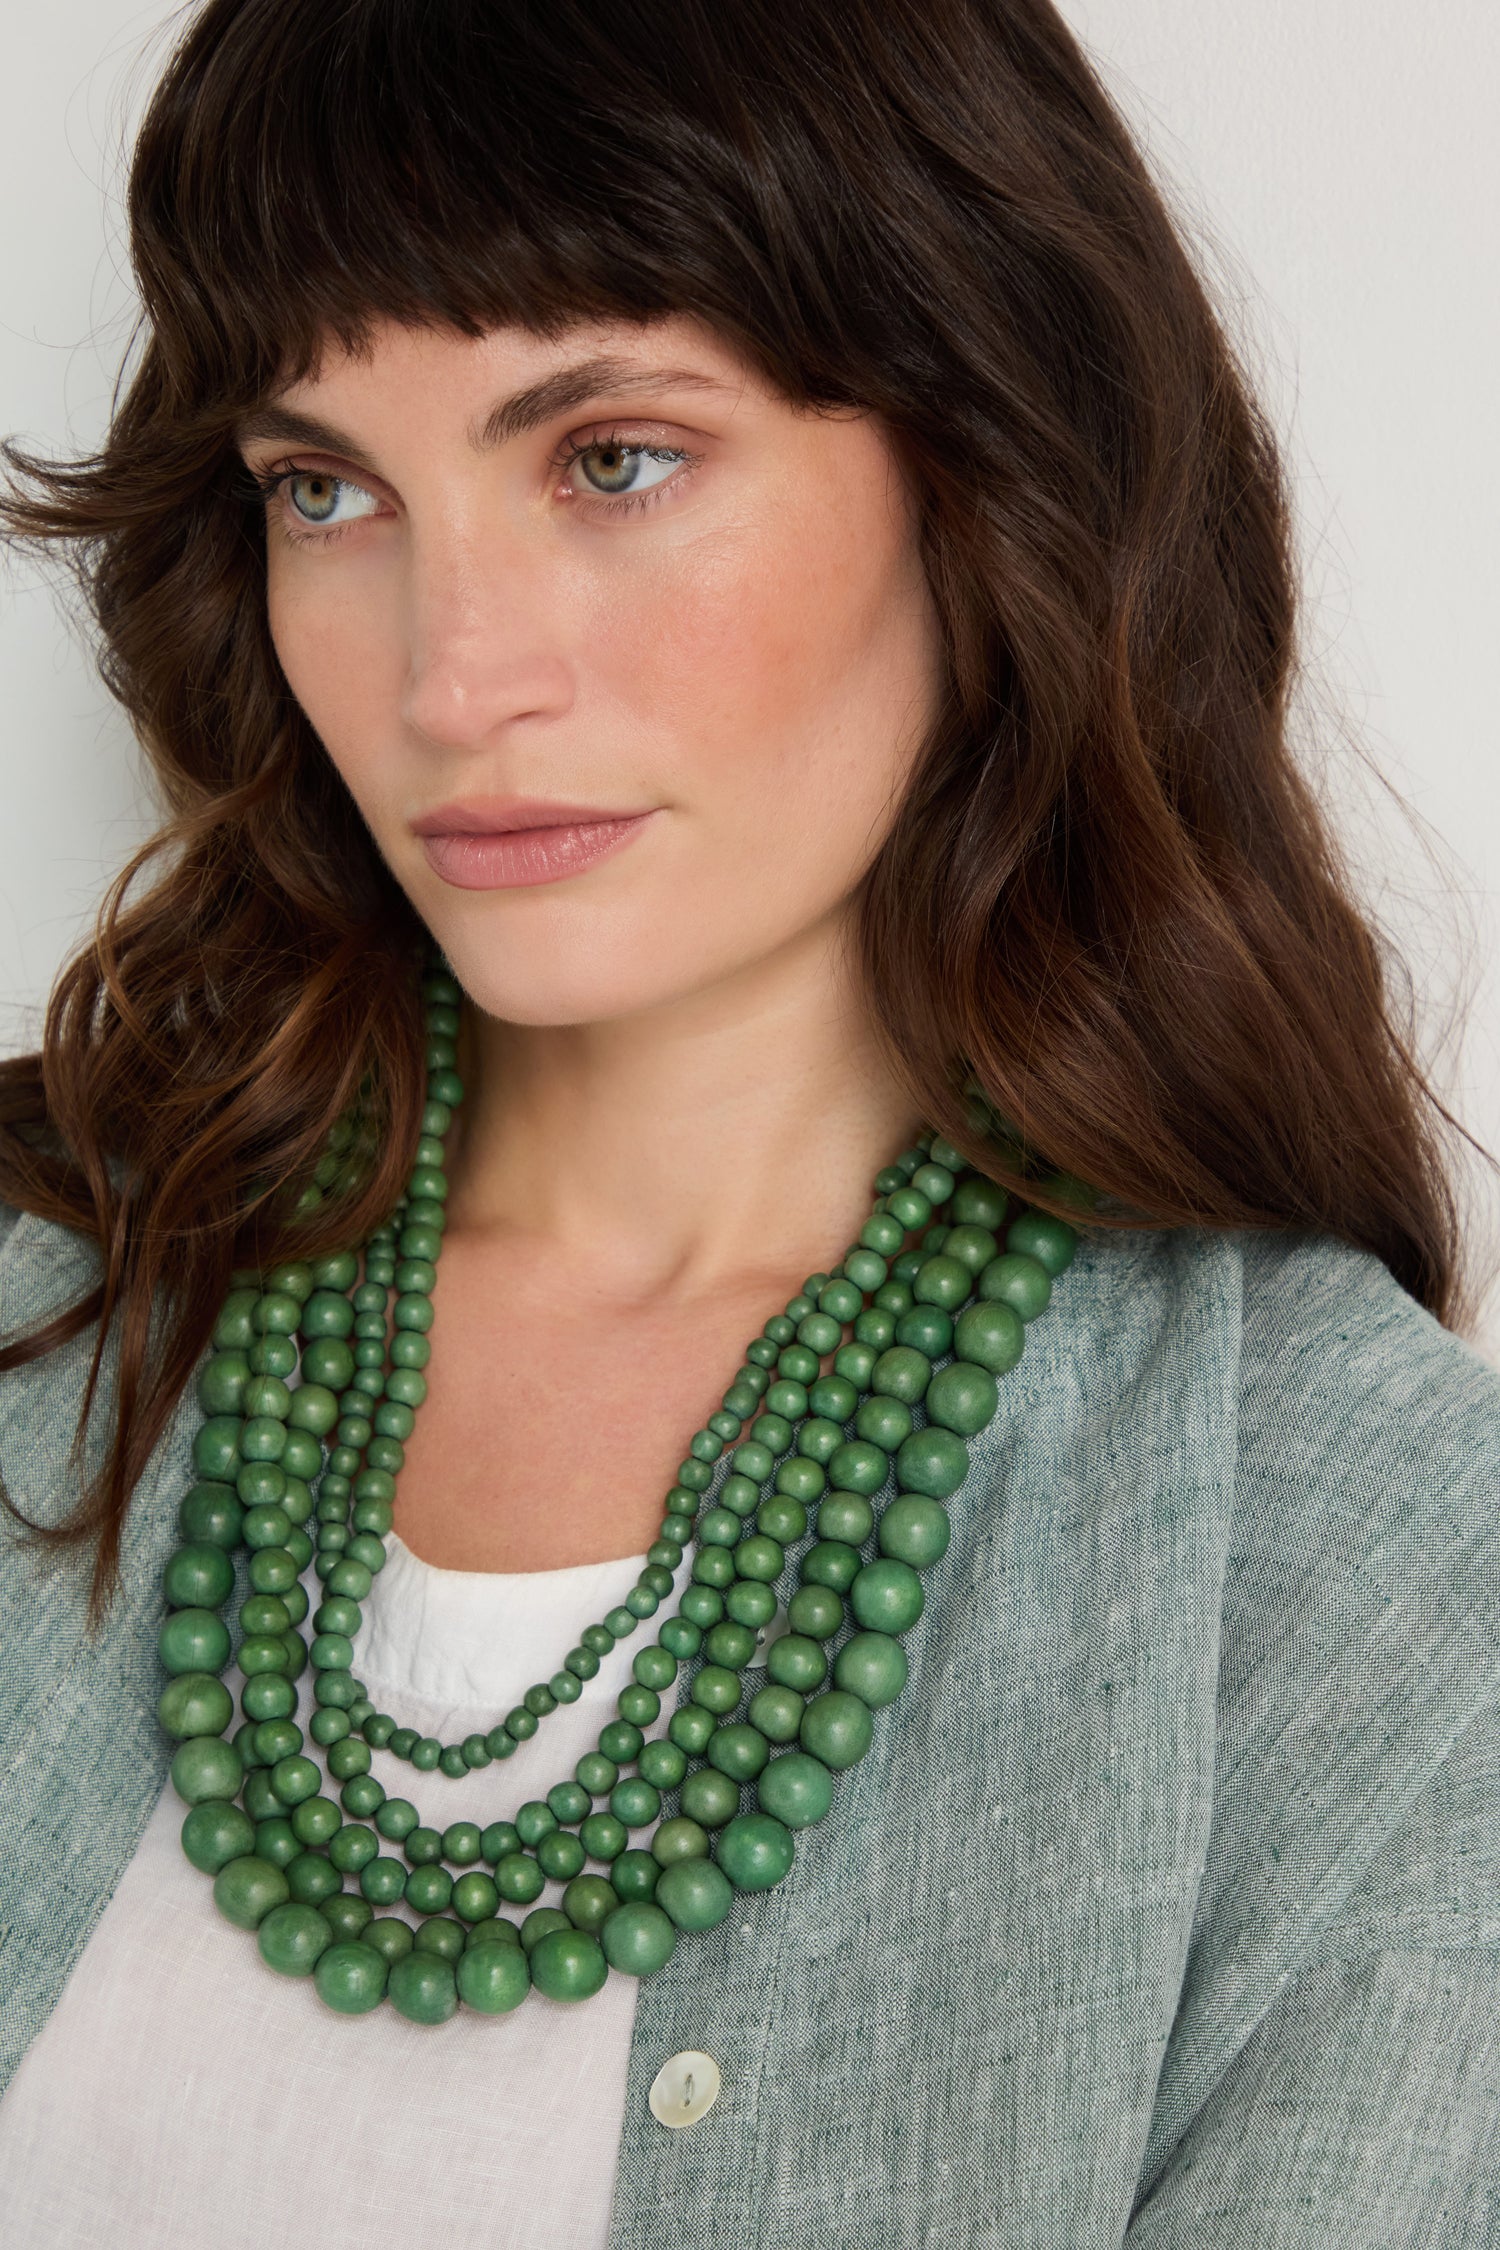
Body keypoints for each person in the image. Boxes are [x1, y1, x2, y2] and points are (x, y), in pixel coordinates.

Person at [1, 0, 1496, 2242]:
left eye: (611, 456)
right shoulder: (52, 1292)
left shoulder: (1358, 1568)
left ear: (989, 470)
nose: (448, 672)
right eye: (330, 489)